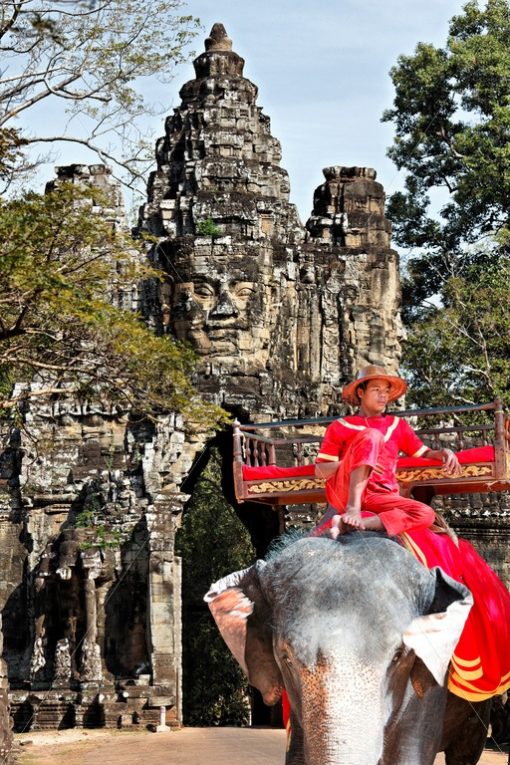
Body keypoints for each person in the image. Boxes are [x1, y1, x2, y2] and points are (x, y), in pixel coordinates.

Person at [314, 364, 461, 538]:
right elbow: (319, 471)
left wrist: (444, 452)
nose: (383, 395)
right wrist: (353, 463)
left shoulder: (398, 425)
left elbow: (423, 453)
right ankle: (353, 509)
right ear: (361, 393)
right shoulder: (340, 427)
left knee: (426, 514)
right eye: (376, 389)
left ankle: (354, 525)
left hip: (381, 495)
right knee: (373, 435)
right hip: (346, 491)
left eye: (386, 391)